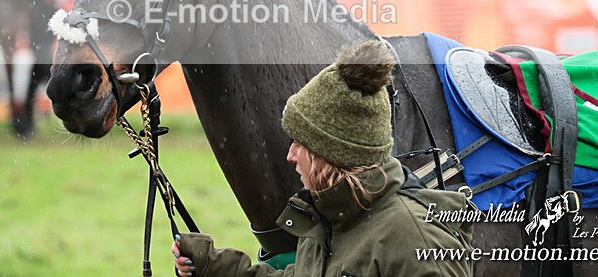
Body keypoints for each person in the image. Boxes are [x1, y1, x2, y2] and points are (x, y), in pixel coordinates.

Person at [172, 40, 475, 276]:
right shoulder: (330, 219)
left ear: (331, 154)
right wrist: (211, 265)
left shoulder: (412, 236)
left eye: (299, 143)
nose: (290, 155)